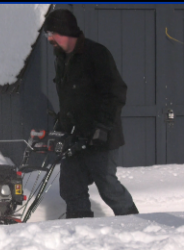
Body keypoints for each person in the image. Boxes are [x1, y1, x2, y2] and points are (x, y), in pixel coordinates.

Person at [42, 8, 139, 219]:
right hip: (75, 137)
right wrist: (60, 128)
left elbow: (115, 93)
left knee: (108, 188)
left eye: (52, 34)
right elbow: (69, 98)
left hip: (101, 137)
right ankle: (81, 231)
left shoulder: (96, 54)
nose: (50, 40)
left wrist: (102, 127)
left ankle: (135, 226)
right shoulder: (61, 57)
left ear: (65, 31)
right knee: (70, 187)